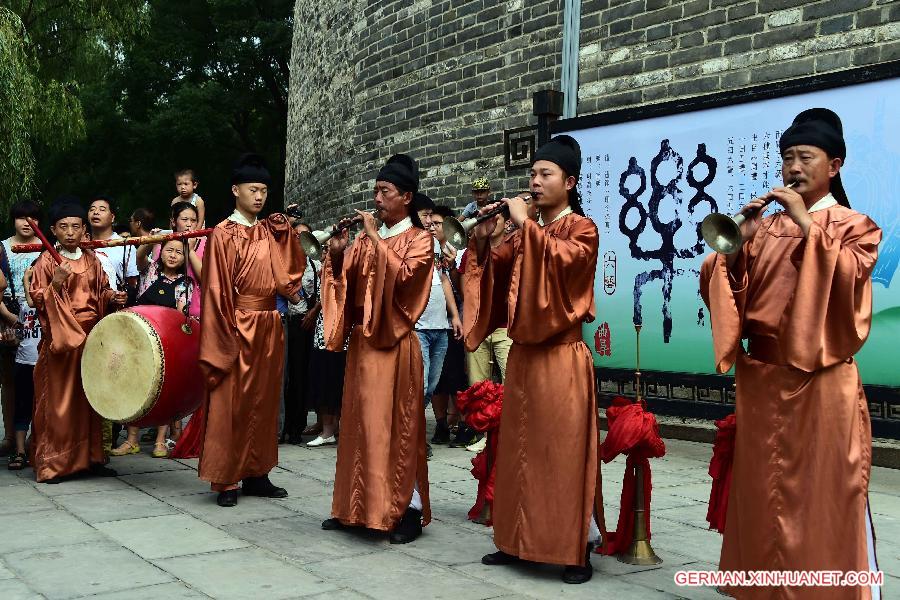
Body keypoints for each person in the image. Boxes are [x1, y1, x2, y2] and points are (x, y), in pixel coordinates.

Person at [700, 109, 882, 600]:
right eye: (787, 158)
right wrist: (735, 251)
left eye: (806, 157)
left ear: (834, 165)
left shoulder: (855, 225)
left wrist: (806, 226)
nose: (794, 167)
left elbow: (849, 283)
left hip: (820, 380)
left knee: (821, 496)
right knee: (764, 494)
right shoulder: (766, 224)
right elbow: (729, 286)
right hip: (763, 379)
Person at [465, 136, 603, 583]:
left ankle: (572, 548)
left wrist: (527, 227)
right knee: (518, 451)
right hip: (524, 357)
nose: (535, 182)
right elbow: (498, 273)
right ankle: (515, 539)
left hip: (562, 356)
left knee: (560, 453)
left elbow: (567, 266)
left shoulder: (581, 227)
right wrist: (486, 243)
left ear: (570, 181)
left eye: (546, 174)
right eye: (532, 174)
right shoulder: (528, 232)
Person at [320, 154, 433, 544]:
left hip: (396, 344)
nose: (378, 198)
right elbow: (345, 283)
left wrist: (372, 238)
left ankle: (406, 511)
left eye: (385, 191)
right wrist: (336, 251)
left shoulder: (420, 238)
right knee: (359, 425)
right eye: (376, 191)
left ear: (406, 196)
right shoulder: (368, 239)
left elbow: (404, 279)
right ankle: (355, 507)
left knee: (396, 428)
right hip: (364, 346)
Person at [198, 153, 305, 508]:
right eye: (252, 189)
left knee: (264, 399)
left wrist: (286, 234)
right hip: (237, 322)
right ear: (235, 190)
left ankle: (258, 473)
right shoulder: (222, 233)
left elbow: (287, 274)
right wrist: (226, 331)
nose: (259, 196)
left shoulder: (266, 231)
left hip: (268, 322)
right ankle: (227, 479)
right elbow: (215, 289)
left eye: (263, 190)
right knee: (233, 401)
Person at [29, 197, 127, 483]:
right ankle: (55, 463)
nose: (70, 232)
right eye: (63, 227)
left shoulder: (91, 259)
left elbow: (102, 291)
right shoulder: (46, 261)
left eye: (75, 226)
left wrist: (113, 297)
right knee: (59, 403)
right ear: (53, 230)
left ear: (84, 229)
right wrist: (57, 281)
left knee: (89, 400)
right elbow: (37, 298)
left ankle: (92, 458)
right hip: (62, 340)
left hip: (91, 337)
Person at [111, 239, 194, 459]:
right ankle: (131, 441)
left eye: (179, 252)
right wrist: (153, 239)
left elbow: (180, 314)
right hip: (139, 338)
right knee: (135, 387)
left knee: (162, 391)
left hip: (166, 340)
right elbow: (140, 255)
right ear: (160, 252)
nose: (174, 255)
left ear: (185, 257)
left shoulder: (186, 283)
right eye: (169, 250)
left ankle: (160, 441)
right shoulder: (150, 271)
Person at [412, 193, 463, 458]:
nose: (429, 222)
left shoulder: (437, 246)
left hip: (440, 326)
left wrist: (454, 316)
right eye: (425, 216)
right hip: (418, 327)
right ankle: (415, 439)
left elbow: (444, 279)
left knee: (431, 387)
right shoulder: (412, 243)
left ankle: (411, 434)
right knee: (420, 386)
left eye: (433, 218)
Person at [0, 201, 39, 457]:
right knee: (9, 381)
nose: (26, 222)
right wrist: (8, 318)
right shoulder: (2, 248)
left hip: (40, 320)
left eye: (33, 217)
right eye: (21, 217)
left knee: (38, 380)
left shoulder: (48, 248)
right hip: (7, 318)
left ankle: (37, 437)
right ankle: (10, 438)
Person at [429, 205, 469, 446]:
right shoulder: (426, 250)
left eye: (437, 223)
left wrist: (452, 266)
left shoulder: (460, 252)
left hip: (455, 322)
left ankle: (463, 423)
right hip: (433, 321)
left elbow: (461, 291)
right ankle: (441, 424)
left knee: (457, 377)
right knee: (437, 381)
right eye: (430, 223)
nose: (432, 227)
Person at [282, 218, 319, 443]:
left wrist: (313, 312)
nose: (300, 239)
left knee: (303, 375)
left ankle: (298, 425)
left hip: (309, 322)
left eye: (305, 235)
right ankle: (284, 425)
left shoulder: (316, 263)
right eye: (296, 235)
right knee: (287, 376)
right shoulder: (283, 262)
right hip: (290, 321)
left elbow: (326, 288)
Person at [88, 195, 139, 294]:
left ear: (112, 217)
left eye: (102, 210)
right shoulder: (80, 244)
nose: (96, 212)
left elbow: (132, 282)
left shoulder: (126, 246)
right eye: (92, 209)